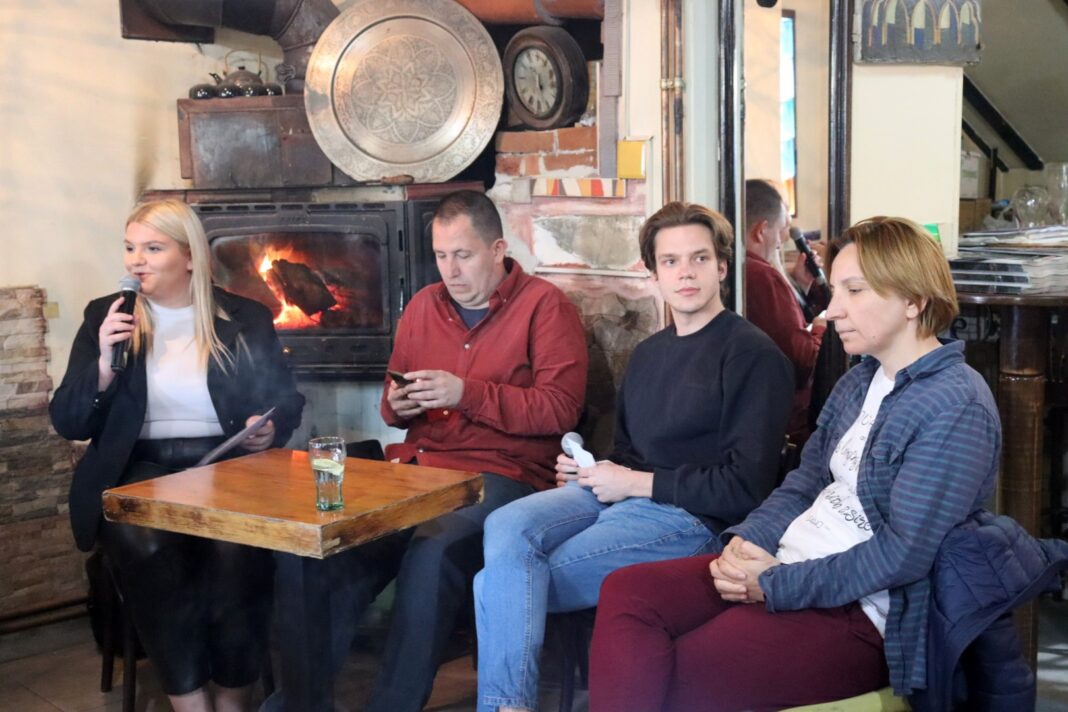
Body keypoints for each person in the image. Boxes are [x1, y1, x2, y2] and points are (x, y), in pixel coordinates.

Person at [588, 217, 1002, 711]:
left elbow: (902, 555)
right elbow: (805, 481)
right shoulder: (860, 380)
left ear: (914, 300)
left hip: (862, 611)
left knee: (682, 671)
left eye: (854, 291)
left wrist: (774, 584)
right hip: (787, 563)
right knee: (628, 592)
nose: (832, 308)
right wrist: (748, 539)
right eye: (836, 290)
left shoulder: (956, 405)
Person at [474, 201, 794, 712]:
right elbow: (629, 452)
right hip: (621, 500)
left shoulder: (752, 356)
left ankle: (505, 706)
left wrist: (633, 484)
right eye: (670, 261)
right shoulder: (648, 354)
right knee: (505, 523)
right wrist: (589, 471)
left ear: (721, 267)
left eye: (699, 258)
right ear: (653, 274)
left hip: (693, 520)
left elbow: (746, 488)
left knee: (497, 581)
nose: (685, 273)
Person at [50, 199, 305, 712]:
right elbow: (70, 421)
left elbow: (286, 399)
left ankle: (232, 697)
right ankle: (189, 702)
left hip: (225, 464)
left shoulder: (244, 316)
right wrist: (103, 366)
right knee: (148, 547)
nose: (135, 261)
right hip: (137, 469)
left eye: (152, 248)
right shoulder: (106, 317)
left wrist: (268, 428)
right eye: (130, 248)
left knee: (238, 551)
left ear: (189, 257)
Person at [347, 189, 588, 712]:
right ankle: (300, 697)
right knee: (335, 545)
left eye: (463, 255)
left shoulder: (545, 307)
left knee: (432, 551)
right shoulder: (422, 306)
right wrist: (397, 402)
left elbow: (560, 409)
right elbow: (392, 405)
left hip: (501, 476)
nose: (450, 271)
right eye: (440, 255)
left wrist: (466, 394)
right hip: (417, 469)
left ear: (498, 249)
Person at [744, 178, 828, 443]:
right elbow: (801, 361)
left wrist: (801, 285)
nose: (782, 242)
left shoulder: (743, 268)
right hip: (786, 423)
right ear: (761, 231)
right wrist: (820, 327)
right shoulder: (761, 276)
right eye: (781, 231)